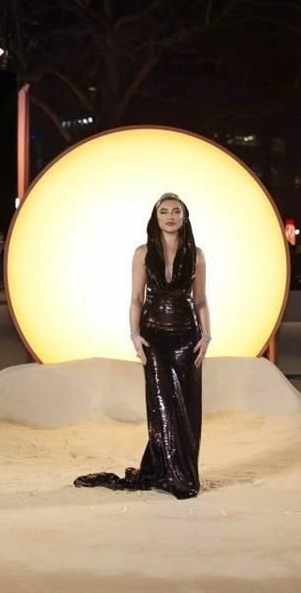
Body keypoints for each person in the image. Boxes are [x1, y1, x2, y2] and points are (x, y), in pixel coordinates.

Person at [75, 192, 209, 500]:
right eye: (164, 211)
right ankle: (167, 472)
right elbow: (136, 298)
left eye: (176, 211)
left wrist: (206, 336)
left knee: (187, 406)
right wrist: (134, 335)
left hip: (188, 334)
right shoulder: (142, 253)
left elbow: (201, 300)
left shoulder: (197, 255)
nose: (171, 216)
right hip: (154, 335)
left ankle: (183, 473)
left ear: (184, 217)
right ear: (156, 217)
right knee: (162, 404)